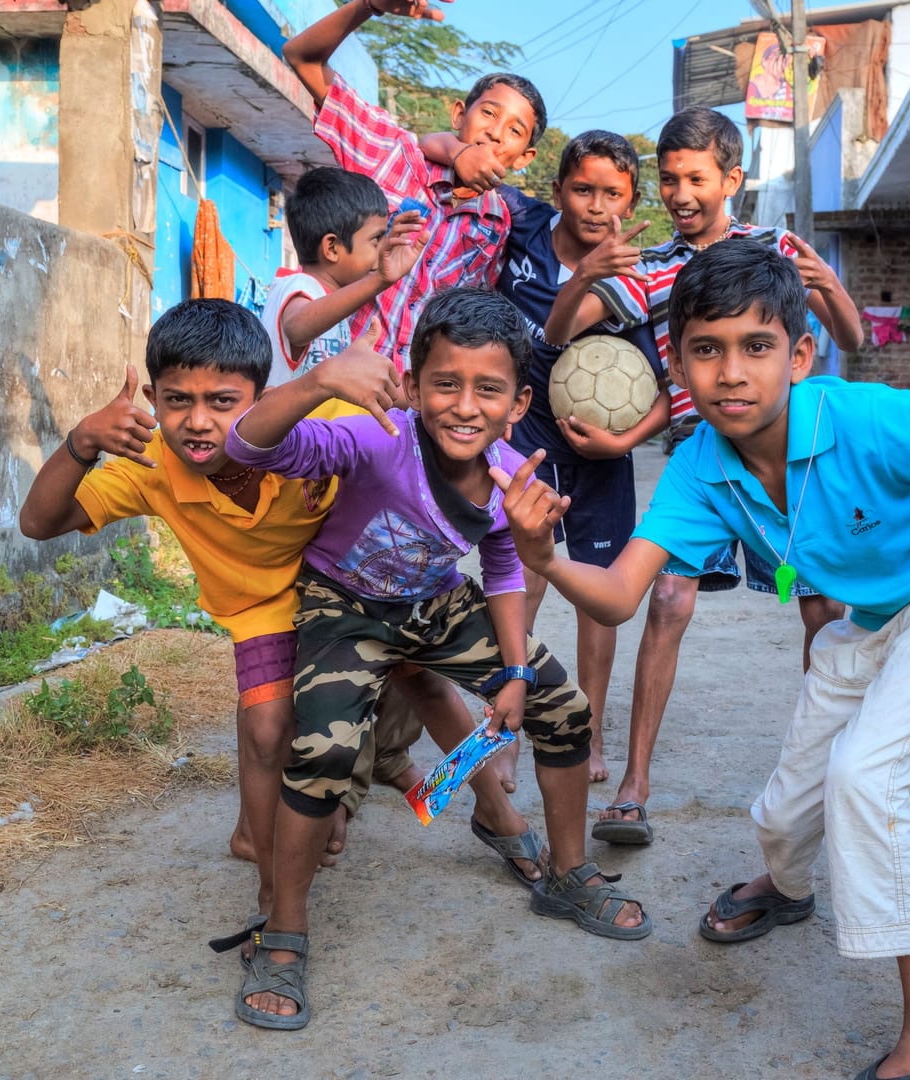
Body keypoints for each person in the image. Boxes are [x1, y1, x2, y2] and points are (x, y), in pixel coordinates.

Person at [493, 239, 910, 1080]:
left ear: (799, 355)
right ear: (676, 365)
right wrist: (546, 557)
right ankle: (788, 888)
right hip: (874, 615)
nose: (731, 373)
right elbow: (625, 594)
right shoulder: (702, 466)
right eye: (706, 350)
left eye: (756, 347)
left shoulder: (866, 419)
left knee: (867, 782)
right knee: (781, 815)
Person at [15, 299, 532, 935]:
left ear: (264, 398)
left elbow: (418, 435)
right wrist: (83, 441)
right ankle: (271, 879)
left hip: (360, 584)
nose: (199, 422)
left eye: (224, 402)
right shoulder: (152, 466)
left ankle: (491, 810)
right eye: (177, 400)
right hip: (264, 608)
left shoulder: (324, 421)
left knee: (425, 681)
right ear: (152, 397)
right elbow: (38, 523)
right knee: (267, 728)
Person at [221, 288, 651, 1031]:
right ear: (414, 387)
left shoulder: (517, 475)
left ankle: (568, 871)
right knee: (322, 749)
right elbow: (246, 448)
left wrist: (515, 674)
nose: (464, 405)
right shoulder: (375, 437)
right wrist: (319, 382)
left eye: (488, 389)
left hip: (434, 604)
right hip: (343, 604)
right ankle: (282, 929)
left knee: (562, 705)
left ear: (518, 404)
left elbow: (506, 565)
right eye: (445, 384)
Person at [543, 107, 861, 841]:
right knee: (670, 601)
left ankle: (821, 772)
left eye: (695, 177)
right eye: (668, 178)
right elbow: (565, 335)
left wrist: (830, 285)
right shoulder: (651, 268)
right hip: (704, 462)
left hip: (791, 462)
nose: (679, 192)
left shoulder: (774, 251)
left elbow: (846, 338)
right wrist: (584, 278)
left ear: (732, 179)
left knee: (820, 611)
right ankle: (633, 785)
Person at [418, 128, 669, 796]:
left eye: (613, 194)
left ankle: (587, 732)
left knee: (595, 589)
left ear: (632, 200)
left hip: (601, 457)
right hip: (527, 438)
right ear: (555, 192)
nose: (595, 205)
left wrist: (626, 441)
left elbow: (666, 388)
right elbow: (455, 158)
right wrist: (448, 143)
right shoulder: (524, 228)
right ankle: (504, 722)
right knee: (519, 582)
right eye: (582, 189)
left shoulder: (640, 279)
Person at [283, 0, 544, 364]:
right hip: (327, 382)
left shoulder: (497, 227)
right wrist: (368, 6)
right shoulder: (394, 154)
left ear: (523, 158)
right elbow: (302, 58)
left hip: (408, 407)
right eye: (488, 112)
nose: (495, 133)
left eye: (515, 130)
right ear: (458, 115)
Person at [260, 167, 424, 387]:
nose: (381, 249)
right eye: (376, 240)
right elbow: (297, 328)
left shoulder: (331, 305)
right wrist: (380, 280)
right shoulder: (299, 286)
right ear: (332, 248)